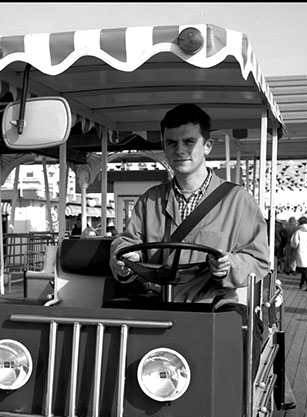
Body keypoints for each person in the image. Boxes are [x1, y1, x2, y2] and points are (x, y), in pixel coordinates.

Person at [110, 103, 269, 305]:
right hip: (156, 305)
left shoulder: (239, 201)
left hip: (211, 309)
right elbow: (128, 241)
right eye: (172, 143)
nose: (180, 150)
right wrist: (124, 260)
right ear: (164, 148)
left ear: (207, 147)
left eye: (189, 141)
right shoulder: (150, 200)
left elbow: (258, 260)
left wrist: (230, 265)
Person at [289, 216, 307, 291]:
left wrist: (294, 247)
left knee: (304, 269)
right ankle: (302, 283)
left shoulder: (298, 232)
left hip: (301, 251)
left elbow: (295, 243)